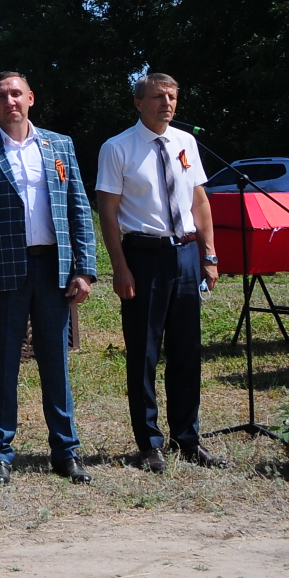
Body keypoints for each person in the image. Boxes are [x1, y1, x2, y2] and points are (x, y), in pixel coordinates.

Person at [0, 73, 97, 487]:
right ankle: (0, 453)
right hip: (3, 276)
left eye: (17, 93)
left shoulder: (59, 145)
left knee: (57, 364)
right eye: (1, 95)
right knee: (4, 366)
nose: (10, 101)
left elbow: (79, 210)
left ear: (30, 98)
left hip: (53, 271)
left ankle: (65, 451)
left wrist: (84, 269)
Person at [92, 73, 224, 472]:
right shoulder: (118, 148)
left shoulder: (186, 143)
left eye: (171, 97)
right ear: (138, 103)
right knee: (144, 353)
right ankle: (149, 443)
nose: (166, 103)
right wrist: (120, 267)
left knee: (187, 353)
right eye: (157, 97)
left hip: (184, 256)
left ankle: (188, 438)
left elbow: (199, 200)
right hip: (144, 257)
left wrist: (210, 254)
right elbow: (109, 213)